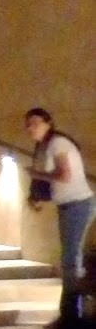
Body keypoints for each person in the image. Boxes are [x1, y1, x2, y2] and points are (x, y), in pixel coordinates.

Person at [25, 108, 95, 297]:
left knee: (71, 258)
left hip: (78, 204)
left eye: (35, 123)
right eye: (28, 124)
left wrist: (37, 174)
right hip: (68, 205)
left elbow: (65, 175)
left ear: (48, 124)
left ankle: (72, 306)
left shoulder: (57, 143)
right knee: (69, 256)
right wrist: (36, 195)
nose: (31, 128)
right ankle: (71, 306)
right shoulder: (44, 146)